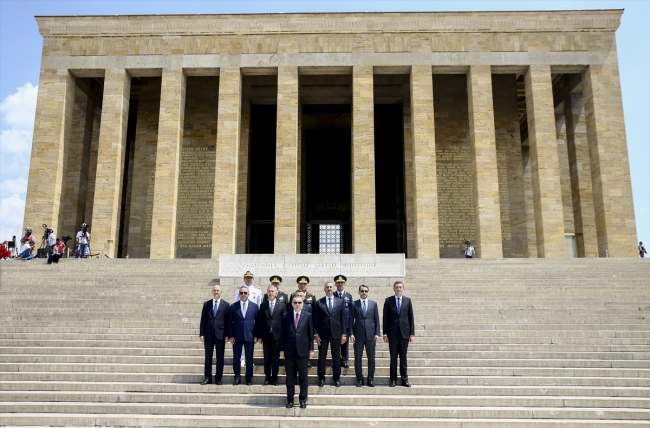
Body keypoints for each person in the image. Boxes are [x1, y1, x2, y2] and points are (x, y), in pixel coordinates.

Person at [280, 294, 314, 409]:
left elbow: (310, 334)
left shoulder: (308, 315)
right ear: (292, 304)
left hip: (303, 351)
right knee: (290, 378)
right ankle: (290, 400)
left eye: (299, 302)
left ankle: (303, 399)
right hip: (289, 351)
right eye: (295, 302)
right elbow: (283, 334)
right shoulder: (286, 316)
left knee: (303, 377)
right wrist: (281, 349)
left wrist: (311, 349)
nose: (297, 305)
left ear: (303, 304)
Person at [313, 281, 347, 387]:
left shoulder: (340, 302)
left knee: (336, 357)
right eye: (327, 287)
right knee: (322, 357)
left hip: (336, 334)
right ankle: (321, 377)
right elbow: (315, 320)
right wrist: (316, 334)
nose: (329, 289)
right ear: (324, 289)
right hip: (322, 335)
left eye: (331, 287)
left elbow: (343, 319)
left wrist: (344, 334)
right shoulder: (319, 302)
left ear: (333, 289)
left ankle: (336, 378)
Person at [383, 281, 415, 387]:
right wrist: (385, 334)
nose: (398, 289)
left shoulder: (407, 301)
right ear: (394, 289)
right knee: (393, 358)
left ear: (403, 289)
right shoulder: (388, 300)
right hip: (392, 334)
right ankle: (393, 379)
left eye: (400, 287)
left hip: (404, 334)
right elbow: (385, 318)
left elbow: (411, 318)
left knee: (403, 357)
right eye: (396, 287)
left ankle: (404, 379)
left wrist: (412, 334)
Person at [255, 285, 286, 386]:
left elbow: (284, 321)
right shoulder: (263, 305)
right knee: (267, 358)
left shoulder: (281, 305)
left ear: (276, 293)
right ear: (267, 293)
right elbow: (259, 322)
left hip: (277, 336)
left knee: (275, 359)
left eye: (273, 291)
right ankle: (267, 378)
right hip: (266, 336)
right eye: (269, 291)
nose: (271, 293)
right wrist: (259, 336)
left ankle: (275, 378)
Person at [349, 284, 380, 387]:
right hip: (358, 335)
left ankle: (370, 379)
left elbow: (377, 320)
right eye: (362, 291)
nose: (364, 293)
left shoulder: (373, 304)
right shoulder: (354, 304)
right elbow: (350, 320)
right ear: (359, 292)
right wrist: (351, 333)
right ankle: (360, 379)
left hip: (371, 335)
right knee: (358, 358)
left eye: (366, 291)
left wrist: (377, 333)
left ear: (368, 292)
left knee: (371, 359)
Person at [199, 285, 230, 385]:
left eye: (218, 290)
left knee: (220, 357)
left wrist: (227, 335)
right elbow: (203, 320)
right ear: (212, 292)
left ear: (221, 292)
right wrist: (201, 333)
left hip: (220, 334)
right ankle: (208, 377)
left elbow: (227, 322)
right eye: (214, 290)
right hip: (208, 334)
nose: (216, 292)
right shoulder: (207, 304)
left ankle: (218, 378)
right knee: (208, 357)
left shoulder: (226, 305)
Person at [228, 286, 259, 385]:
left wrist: (256, 335)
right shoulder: (233, 306)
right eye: (241, 293)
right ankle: (237, 377)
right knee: (236, 358)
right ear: (239, 295)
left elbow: (257, 322)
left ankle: (248, 378)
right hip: (237, 336)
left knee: (249, 358)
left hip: (249, 335)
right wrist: (231, 336)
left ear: (248, 294)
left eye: (245, 293)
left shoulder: (254, 306)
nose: (243, 295)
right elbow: (229, 323)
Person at [233, 270, 262, 367]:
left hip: (251, 321)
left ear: (253, 279)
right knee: (240, 342)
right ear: (244, 279)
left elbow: (259, 306)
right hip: (241, 320)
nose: (248, 279)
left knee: (250, 345)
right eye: (246, 278)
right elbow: (236, 304)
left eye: (250, 278)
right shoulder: (238, 290)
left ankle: (249, 360)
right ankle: (242, 359)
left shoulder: (257, 291)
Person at [334, 274, 353, 368]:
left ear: (344, 284)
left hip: (345, 324)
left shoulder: (348, 296)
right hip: (335, 324)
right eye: (338, 283)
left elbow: (351, 311)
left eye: (342, 283)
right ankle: (336, 360)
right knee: (336, 343)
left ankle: (344, 360)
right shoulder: (332, 295)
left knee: (345, 344)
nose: (340, 284)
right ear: (335, 284)